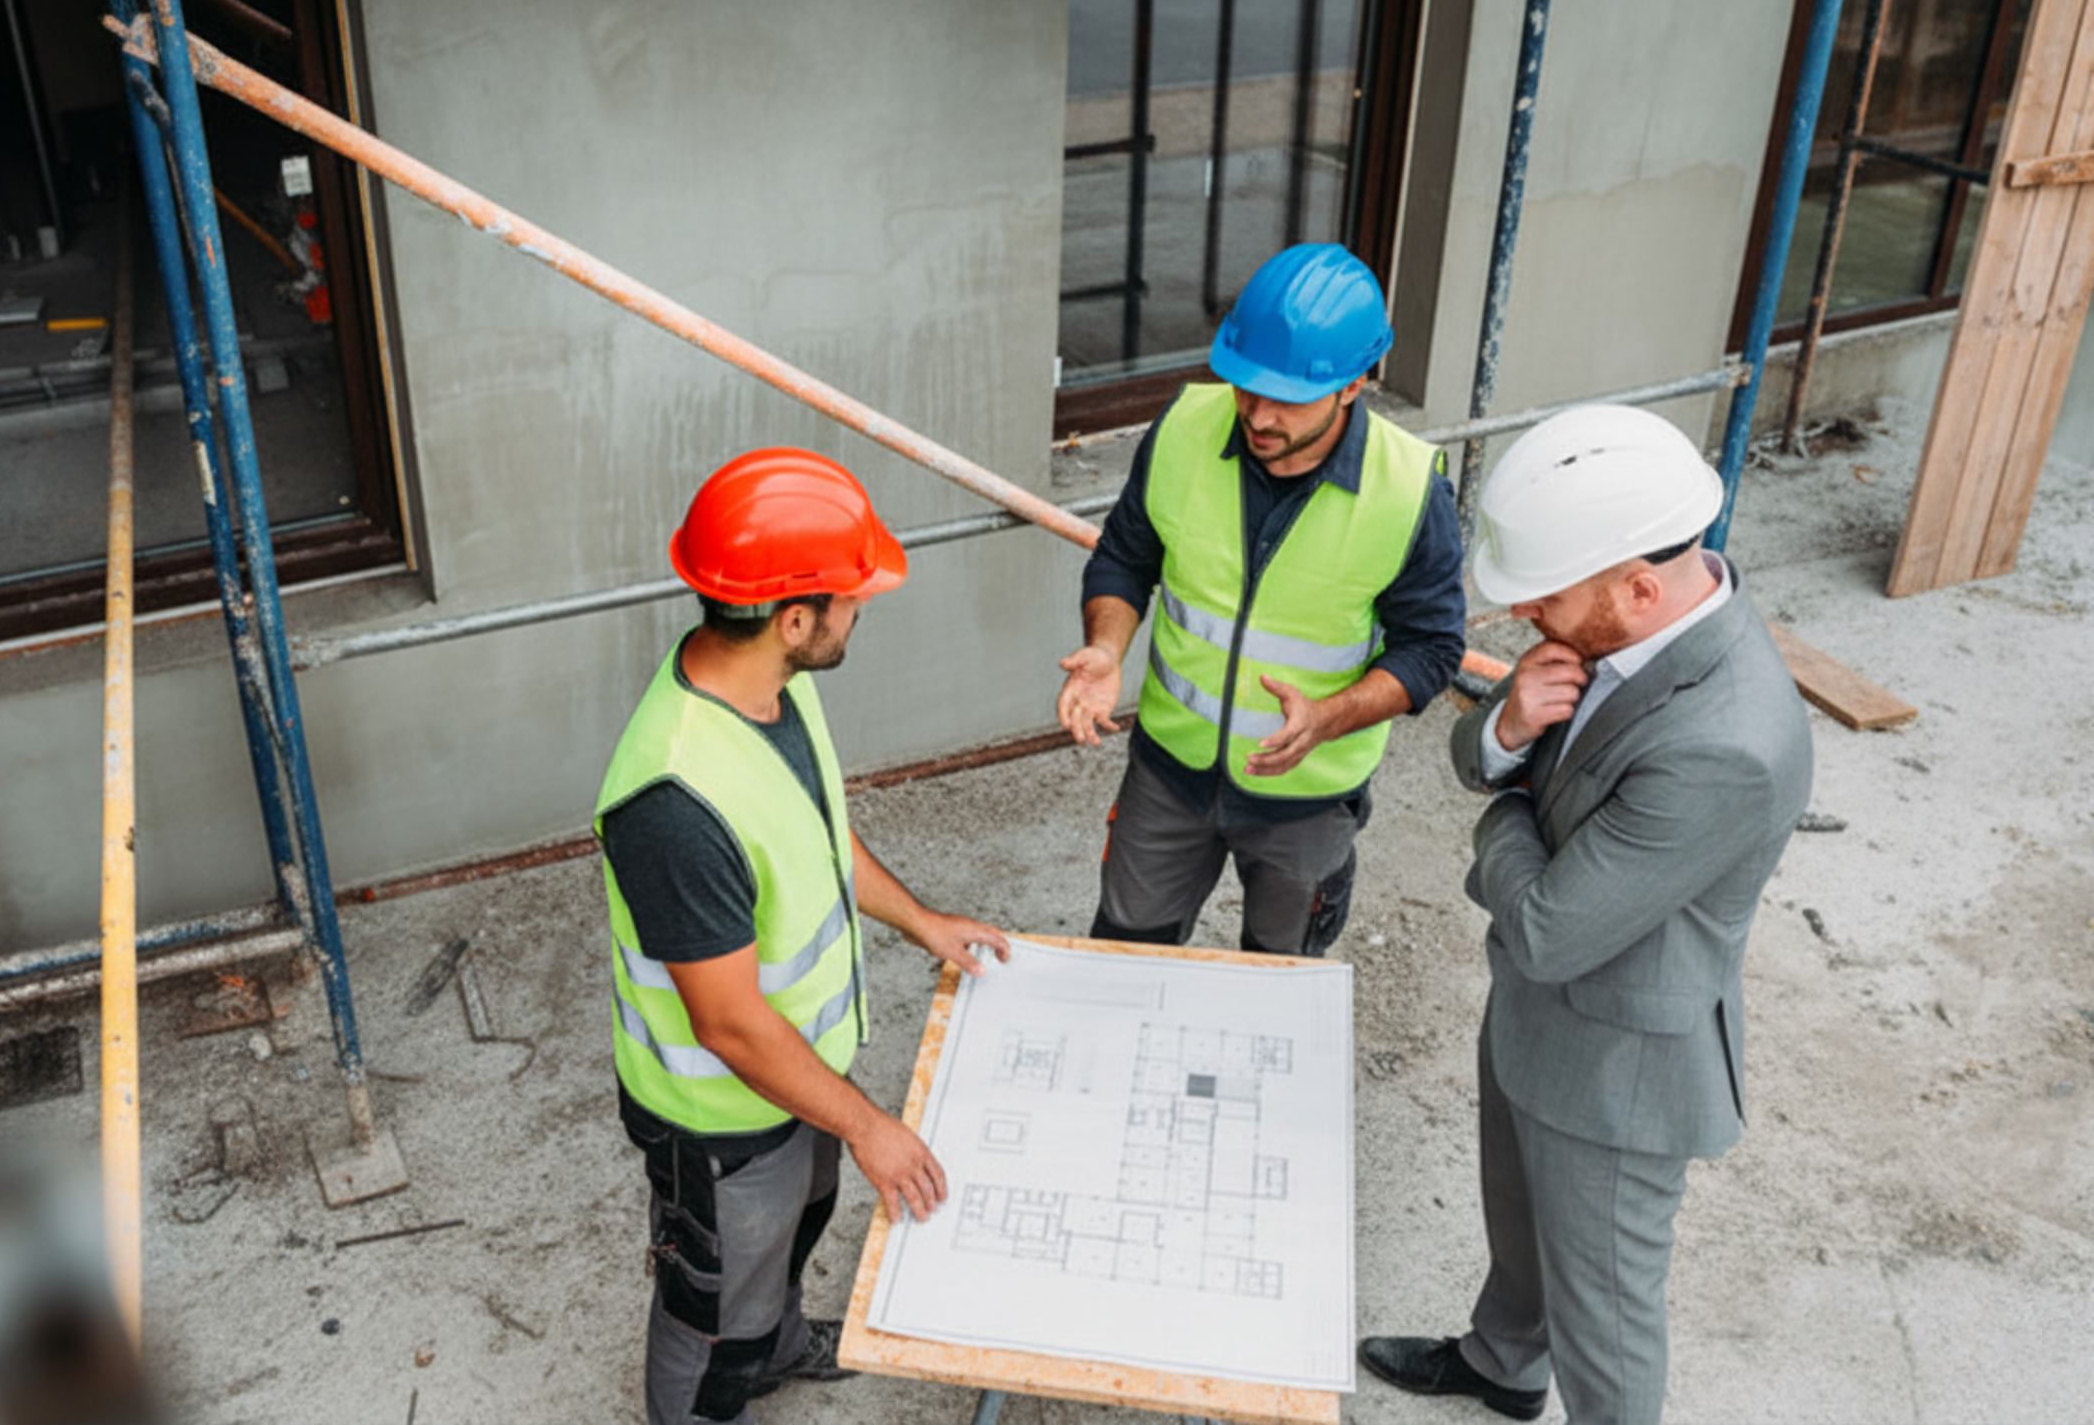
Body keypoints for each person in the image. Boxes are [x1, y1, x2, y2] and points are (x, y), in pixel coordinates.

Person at [1357, 405, 1815, 1424]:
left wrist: (1507, 807)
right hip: (1542, 1018)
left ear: (1639, 584)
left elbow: (1546, 928)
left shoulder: (1727, 743)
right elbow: (1483, 756)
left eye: (1544, 599)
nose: (1525, 621)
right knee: (1521, 1227)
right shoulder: (1633, 630)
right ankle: (1504, 1363)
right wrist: (1509, 727)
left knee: (1606, 1319)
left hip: (1620, 1070)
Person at [598, 448, 1012, 1425]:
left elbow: (814, 834)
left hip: (800, 1073)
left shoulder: (774, 686)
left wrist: (922, 920)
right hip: (721, 1116)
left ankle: (777, 1342)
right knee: (711, 1301)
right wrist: (869, 1125)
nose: (859, 608)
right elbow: (731, 1025)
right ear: (793, 615)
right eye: (850, 595)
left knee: (789, 1233)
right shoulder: (674, 797)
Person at [1055, 242, 1464, 957]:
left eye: (1289, 396)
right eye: (1247, 385)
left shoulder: (1406, 490)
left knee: (1279, 982)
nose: (1259, 413)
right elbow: (1126, 556)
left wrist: (1330, 716)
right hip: (1169, 772)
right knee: (1122, 955)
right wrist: (1106, 647)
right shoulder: (1184, 427)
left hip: (1307, 799)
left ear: (1353, 384)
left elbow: (1431, 647)